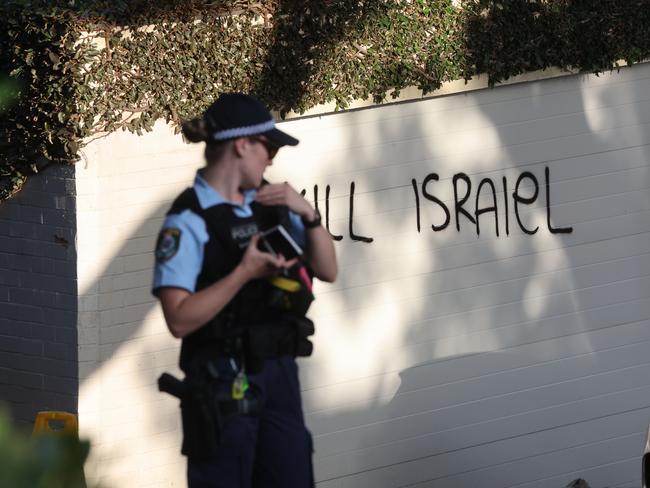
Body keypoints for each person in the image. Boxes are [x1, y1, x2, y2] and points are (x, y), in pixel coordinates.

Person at [152, 93, 337, 488]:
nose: (272, 159)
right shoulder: (187, 220)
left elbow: (328, 269)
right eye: (267, 147)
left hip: (276, 369)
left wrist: (309, 214)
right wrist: (244, 273)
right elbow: (179, 320)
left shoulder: (270, 201)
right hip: (221, 378)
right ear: (242, 145)